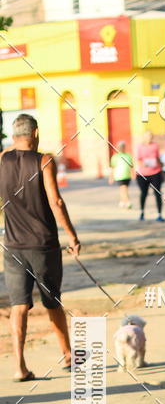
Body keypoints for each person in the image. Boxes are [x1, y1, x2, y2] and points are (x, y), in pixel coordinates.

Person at [0, 113, 80, 381]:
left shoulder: (2, 160)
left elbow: (11, 151)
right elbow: (56, 202)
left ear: (14, 136)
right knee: (52, 301)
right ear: (35, 133)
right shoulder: (44, 160)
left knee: (19, 306)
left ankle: (19, 367)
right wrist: (72, 235)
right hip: (43, 245)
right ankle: (68, 354)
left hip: (12, 246)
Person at [135, 130, 163, 221]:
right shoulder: (140, 147)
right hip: (143, 174)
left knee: (157, 193)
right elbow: (138, 159)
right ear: (144, 137)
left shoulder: (155, 146)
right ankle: (142, 212)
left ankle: (159, 214)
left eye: (151, 136)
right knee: (144, 193)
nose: (149, 138)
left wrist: (161, 168)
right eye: (147, 136)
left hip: (155, 172)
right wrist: (144, 164)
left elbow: (158, 158)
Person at [109, 140, 133, 209]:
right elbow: (113, 168)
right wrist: (111, 177)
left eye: (123, 147)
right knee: (123, 188)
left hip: (127, 176)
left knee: (123, 189)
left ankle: (122, 201)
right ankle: (128, 202)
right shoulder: (115, 157)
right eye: (120, 147)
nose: (121, 148)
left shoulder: (128, 156)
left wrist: (133, 174)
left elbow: (131, 166)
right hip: (119, 176)